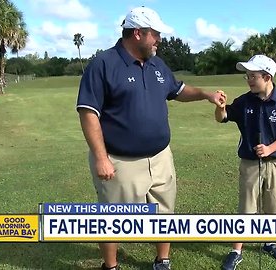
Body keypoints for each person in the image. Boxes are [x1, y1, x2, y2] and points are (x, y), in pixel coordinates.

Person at [76, 6, 225, 270]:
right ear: (137, 33)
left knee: (164, 212)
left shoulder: (156, 63)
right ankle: (110, 266)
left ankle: (162, 260)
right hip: (120, 162)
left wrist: (205, 95)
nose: (159, 40)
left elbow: (177, 90)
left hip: (160, 158)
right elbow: (88, 113)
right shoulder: (104, 64)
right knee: (112, 220)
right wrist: (101, 158)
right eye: (154, 34)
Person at [214, 55, 276, 270]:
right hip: (250, 163)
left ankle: (269, 242)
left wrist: (269, 148)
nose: (249, 80)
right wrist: (221, 107)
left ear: (267, 77)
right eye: (247, 76)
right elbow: (222, 117)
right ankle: (236, 250)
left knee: (273, 205)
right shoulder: (244, 101)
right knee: (246, 207)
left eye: (253, 76)